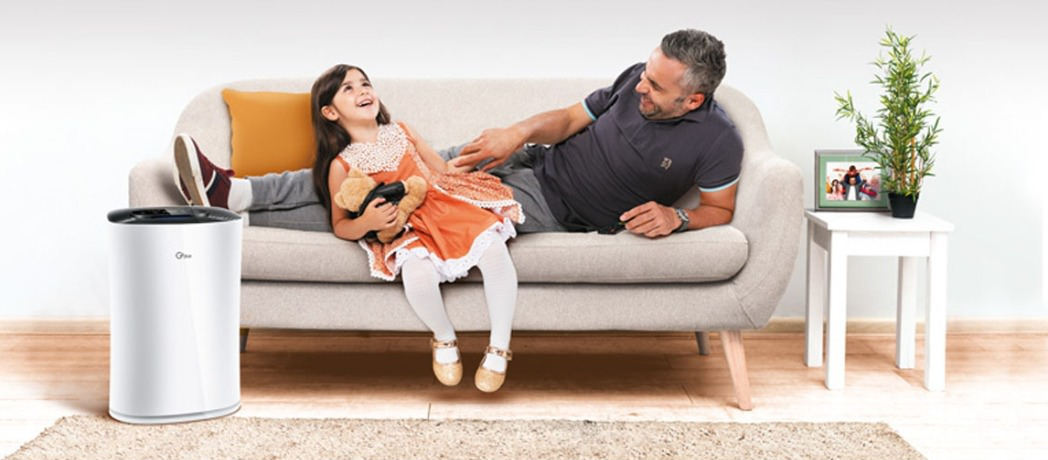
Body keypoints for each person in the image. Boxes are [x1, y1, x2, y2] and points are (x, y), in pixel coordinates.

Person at [173, 28, 744, 238]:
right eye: (644, 74)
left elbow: (719, 210)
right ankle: (238, 192)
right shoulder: (635, 79)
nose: (641, 86)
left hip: (550, 206)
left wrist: (679, 217)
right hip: (529, 160)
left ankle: (230, 219)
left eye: (655, 87)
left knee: (396, 204)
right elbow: (572, 119)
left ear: (693, 99)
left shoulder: (717, 141)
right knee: (382, 158)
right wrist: (516, 133)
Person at [176, 65, 524, 393]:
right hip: (405, 227)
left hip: (443, 206)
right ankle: (444, 338)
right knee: (417, 274)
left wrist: (476, 165)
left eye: (365, 84)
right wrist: (367, 223)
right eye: (349, 88)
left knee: (493, 251)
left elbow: (440, 170)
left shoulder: (402, 131)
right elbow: (340, 225)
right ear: (330, 112)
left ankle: (499, 348)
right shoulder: (341, 165)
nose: (362, 91)